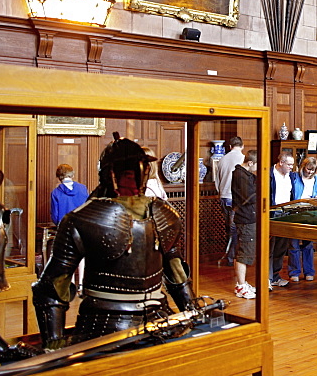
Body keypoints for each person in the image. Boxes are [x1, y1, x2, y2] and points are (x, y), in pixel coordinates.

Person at [32, 134, 194, 349]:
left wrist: (54, 344)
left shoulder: (81, 218)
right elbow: (176, 273)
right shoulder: (165, 213)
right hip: (155, 321)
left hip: (106, 326)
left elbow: (51, 289)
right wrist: (192, 312)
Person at [288, 156, 317, 281]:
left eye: (312, 170)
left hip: (310, 213)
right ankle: (294, 272)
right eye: (308, 169)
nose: (309, 172)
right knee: (293, 244)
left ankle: (309, 271)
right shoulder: (294, 177)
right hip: (295, 211)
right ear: (303, 167)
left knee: (308, 244)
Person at [231, 149, 259, 299]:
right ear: (250, 163)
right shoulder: (240, 175)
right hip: (245, 218)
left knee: (246, 250)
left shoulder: (245, 174)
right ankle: (240, 285)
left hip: (249, 217)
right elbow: (250, 196)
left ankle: (242, 283)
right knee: (244, 252)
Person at [214, 137, 245, 267]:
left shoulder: (221, 160)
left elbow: (216, 182)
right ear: (242, 146)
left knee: (230, 228)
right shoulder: (243, 159)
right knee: (237, 229)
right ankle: (233, 257)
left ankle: (231, 257)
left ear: (230, 146)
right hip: (236, 198)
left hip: (224, 196)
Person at [269, 151, 295, 288]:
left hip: (286, 214)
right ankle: (266, 278)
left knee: (280, 248)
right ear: (281, 163)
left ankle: (275, 276)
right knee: (269, 248)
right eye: (289, 164)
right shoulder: (269, 175)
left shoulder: (291, 176)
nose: (292, 167)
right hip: (272, 214)